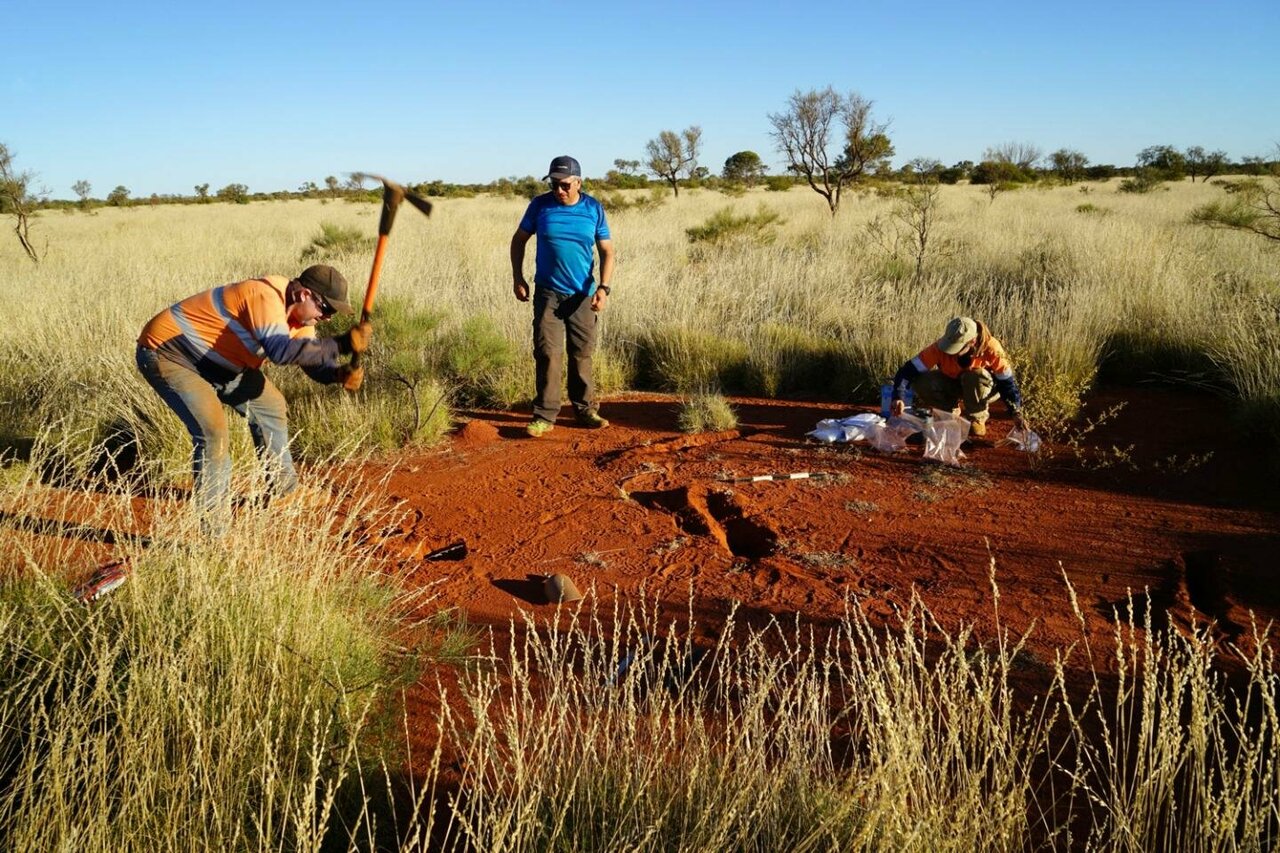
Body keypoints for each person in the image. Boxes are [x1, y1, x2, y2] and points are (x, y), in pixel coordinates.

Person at [136, 264, 372, 525]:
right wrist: (340, 344)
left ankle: (284, 492)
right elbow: (280, 351)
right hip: (172, 355)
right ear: (304, 295)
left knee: (270, 406)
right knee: (213, 435)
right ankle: (213, 535)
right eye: (326, 309)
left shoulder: (301, 321)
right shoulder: (264, 295)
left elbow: (312, 362)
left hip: (222, 364)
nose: (327, 318)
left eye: (332, 314)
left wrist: (338, 374)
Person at [510, 155, 615, 437]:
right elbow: (518, 239)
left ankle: (585, 411)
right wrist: (517, 277)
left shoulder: (593, 208)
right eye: (554, 184)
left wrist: (603, 288)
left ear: (578, 182)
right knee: (548, 353)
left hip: (582, 295)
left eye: (565, 184)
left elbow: (607, 251)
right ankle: (544, 416)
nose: (559, 190)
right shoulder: (539, 206)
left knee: (582, 353)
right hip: (548, 293)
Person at [889, 316, 1026, 437]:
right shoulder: (939, 348)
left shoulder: (992, 348)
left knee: (975, 375)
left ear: (972, 342)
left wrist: (1016, 412)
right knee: (921, 381)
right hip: (955, 384)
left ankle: (976, 418)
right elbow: (908, 370)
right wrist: (898, 396)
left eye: (956, 347)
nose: (950, 351)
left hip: (986, 390)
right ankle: (949, 414)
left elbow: (1007, 383)